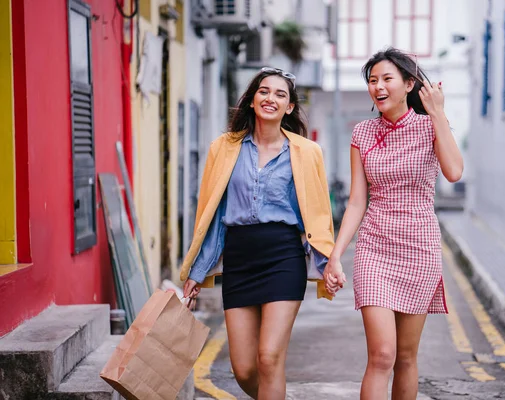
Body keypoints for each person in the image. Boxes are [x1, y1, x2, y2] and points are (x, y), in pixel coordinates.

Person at [179, 67, 335, 400]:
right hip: (240, 259)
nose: (271, 98)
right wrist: (196, 269)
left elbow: (318, 216)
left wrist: (328, 265)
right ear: (252, 100)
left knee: (269, 358)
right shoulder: (223, 149)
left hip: (283, 257)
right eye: (264, 91)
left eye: (281, 94)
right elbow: (214, 214)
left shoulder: (307, 153)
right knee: (244, 369)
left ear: (289, 107)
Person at [323, 47, 464, 400]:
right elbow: (357, 200)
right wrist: (336, 255)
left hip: (420, 248)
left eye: (387, 79)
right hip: (375, 248)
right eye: (373, 80)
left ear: (409, 84)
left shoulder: (431, 125)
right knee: (382, 354)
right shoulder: (363, 134)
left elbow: (454, 171)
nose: (378, 87)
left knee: (405, 357)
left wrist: (438, 113)